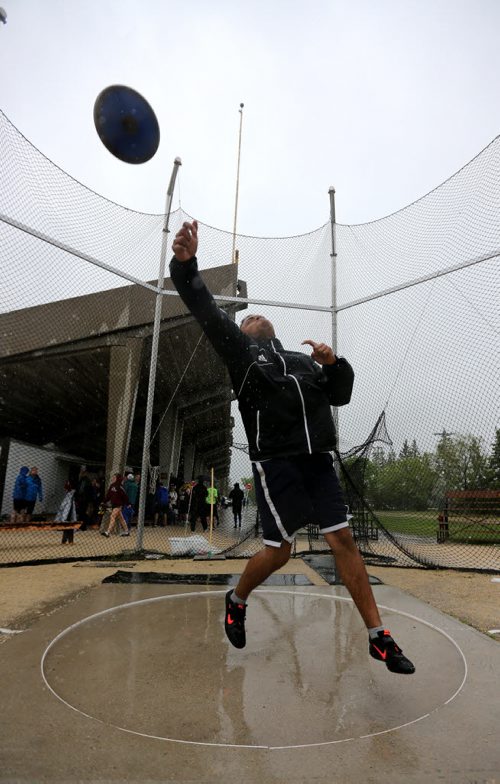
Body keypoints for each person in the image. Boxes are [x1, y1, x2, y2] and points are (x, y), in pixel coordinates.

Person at [170, 220, 415, 675]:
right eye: (245, 318)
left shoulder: (303, 360)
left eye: (257, 317)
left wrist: (335, 363)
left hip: (319, 461)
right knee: (279, 551)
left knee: (342, 538)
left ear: (275, 328)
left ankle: (378, 637)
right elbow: (205, 310)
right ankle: (237, 599)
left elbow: (341, 393)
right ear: (240, 332)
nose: (253, 317)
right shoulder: (242, 356)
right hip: (277, 463)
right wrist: (185, 269)